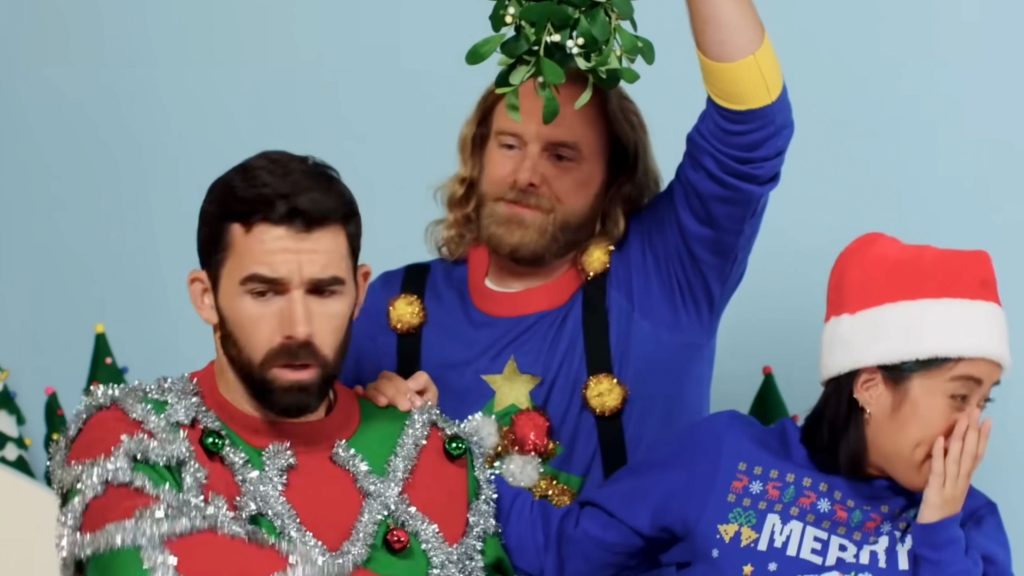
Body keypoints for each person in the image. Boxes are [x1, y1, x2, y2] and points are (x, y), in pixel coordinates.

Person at [342, 2, 794, 571]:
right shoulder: (390, 307)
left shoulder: (666, 277)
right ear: (478, 154)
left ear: (613, 180)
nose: (527, 174)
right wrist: (362, 422)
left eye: (561, 155)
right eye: (510, 145)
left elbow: (753, 128)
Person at [49, 151, 514, 576]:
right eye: (264, 293)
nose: (299, 328)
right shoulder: (131, 439)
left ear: (359, 292)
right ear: (206, 297)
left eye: (324, 291)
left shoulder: (432, 453)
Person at [499, 232, 1015, 575]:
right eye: (959, 396)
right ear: (871, 387)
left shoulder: (971, 525)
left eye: (983, 401)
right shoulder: (724, 455)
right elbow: (566, 551)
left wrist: (938, 531)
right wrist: (457, 455)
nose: (971, 428)